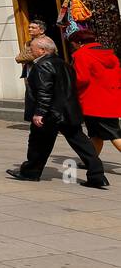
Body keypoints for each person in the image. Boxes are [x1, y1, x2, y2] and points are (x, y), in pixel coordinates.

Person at [7, 35, 109, 188]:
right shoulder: (63, 63)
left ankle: (30, 172)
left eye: (32, 48)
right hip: (68, 111)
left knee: (37, 143)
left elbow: (44, 91)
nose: (30, 50)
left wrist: (39, 112)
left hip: (50, 114)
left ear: (42, 50)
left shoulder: (43, 65)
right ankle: (97, 175)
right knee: (81, 143)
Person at [68, 30, 121, 159]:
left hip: (93, 102)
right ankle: (91, 160)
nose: (73, 46)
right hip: (111, 98)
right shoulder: (110, 54)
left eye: (73, 43)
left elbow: (82, 79)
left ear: (79, 43)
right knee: (95, 134)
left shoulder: (80, 54)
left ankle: (91, 160)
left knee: (114, 134)